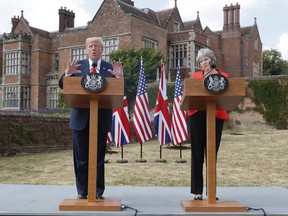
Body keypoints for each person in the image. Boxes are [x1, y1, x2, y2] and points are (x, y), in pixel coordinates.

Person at [59, 37, 123, 200]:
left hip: (101, 120)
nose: (93, 49)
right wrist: (68, 74)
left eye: (97, 46)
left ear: (102, 50)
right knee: (81, 158)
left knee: (98, 158)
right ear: (86, 49)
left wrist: (119, 78)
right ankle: (82, 191)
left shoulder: (110, 68)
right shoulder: (77, 66)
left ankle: (98, 190)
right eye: (90, 46)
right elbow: (62, 84)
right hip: (80, 119)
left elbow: (119, 91)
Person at [187, 48, 230, 200]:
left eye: (205, 59)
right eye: (201, 61)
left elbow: (228, 92)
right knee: (197, 154)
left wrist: (214, 76)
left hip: (216, 116)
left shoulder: (223, 76)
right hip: (197, 115)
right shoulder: (196, 76)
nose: (203, 62)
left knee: (211, 155)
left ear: (212, 60)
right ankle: (197, 191)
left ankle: (212, 191)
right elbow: (190, 93)